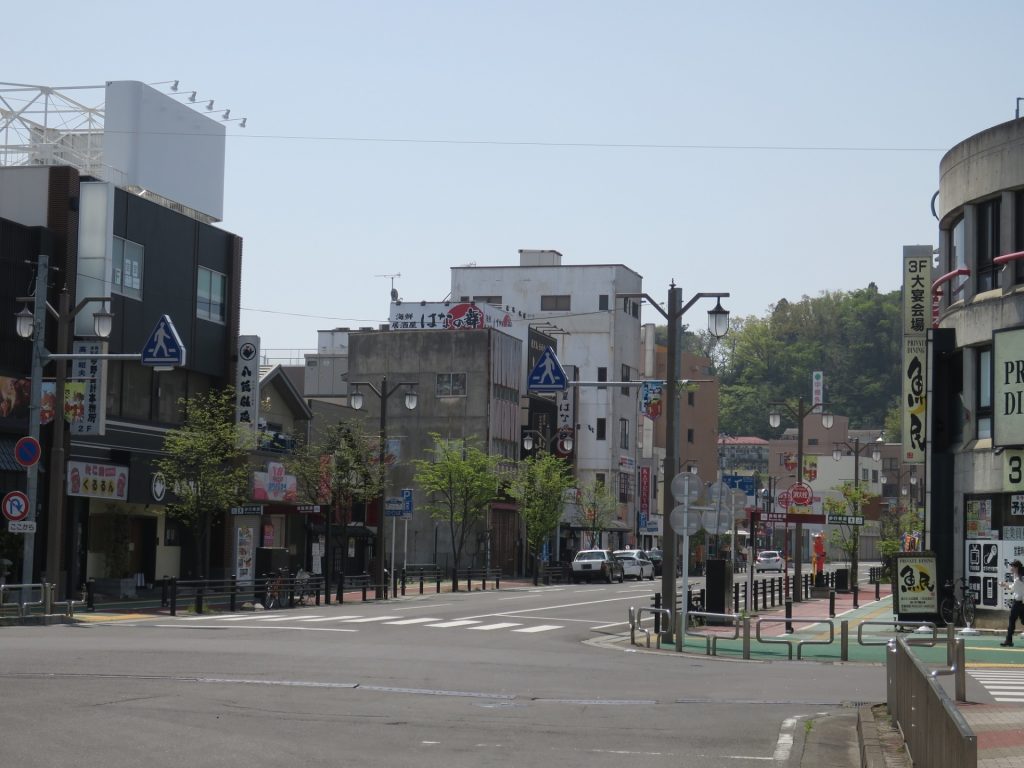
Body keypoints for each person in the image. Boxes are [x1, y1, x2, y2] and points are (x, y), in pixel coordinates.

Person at [1001, 559, 1024, 647]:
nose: (1011, 568)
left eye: (1012, 566)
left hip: (1019, 603)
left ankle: (1008, 640)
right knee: (1016, 621)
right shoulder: (1017, 576)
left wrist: (1005, 585)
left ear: (1016, 567)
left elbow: (1012, 588)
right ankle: (1008, 640)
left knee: (1012, 621)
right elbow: (1013, 589)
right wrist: (1006, 585)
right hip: (1020, 603)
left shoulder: (1020, 578)